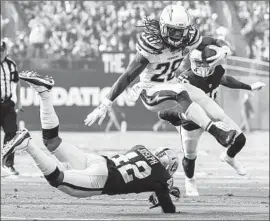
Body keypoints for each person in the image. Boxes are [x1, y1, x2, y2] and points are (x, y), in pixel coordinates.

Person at [2, 71, 180, 213]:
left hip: (99, 160)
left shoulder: (141, 148)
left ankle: (44, 93)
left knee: (52, 141)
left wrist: (160, 188)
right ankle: (28, 145)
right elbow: (168, 208)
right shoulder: (162, 177)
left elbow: (145, 174)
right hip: (102, 179)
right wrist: (165, 190)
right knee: (59, 180)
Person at [84, 4, 237, 149]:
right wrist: (105, 104)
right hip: (151, 91)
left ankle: (222, 126)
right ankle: (218, 133)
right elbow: (128, 76)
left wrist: (224, 49)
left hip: (172, 84)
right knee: (179, 90)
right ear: (163, 27)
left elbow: (212, 41)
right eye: (172, 31)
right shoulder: (153, 45)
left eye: (180, 31)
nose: (177, 35)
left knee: (201, 95)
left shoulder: (189, 38)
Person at [158, 49, 266, 196]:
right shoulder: (186, 79)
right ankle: (190, 180)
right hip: (192, 121)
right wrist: (182, 116)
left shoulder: (216, 72)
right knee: (190, 155)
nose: (204, 66)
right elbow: (171, 109)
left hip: (213, 114)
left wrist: (249, 87)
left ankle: (229, 157)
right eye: (200, 63)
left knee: (240, 139)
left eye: (207, 63)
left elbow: (226, 80)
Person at [0, 40, 23, 176]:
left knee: (12, 133)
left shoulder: (11, 65)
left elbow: (17, 83)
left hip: (8, 104)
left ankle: (8, 165)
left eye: (2, 50)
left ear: (5, 51)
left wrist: (19, 101)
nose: (0, 53)